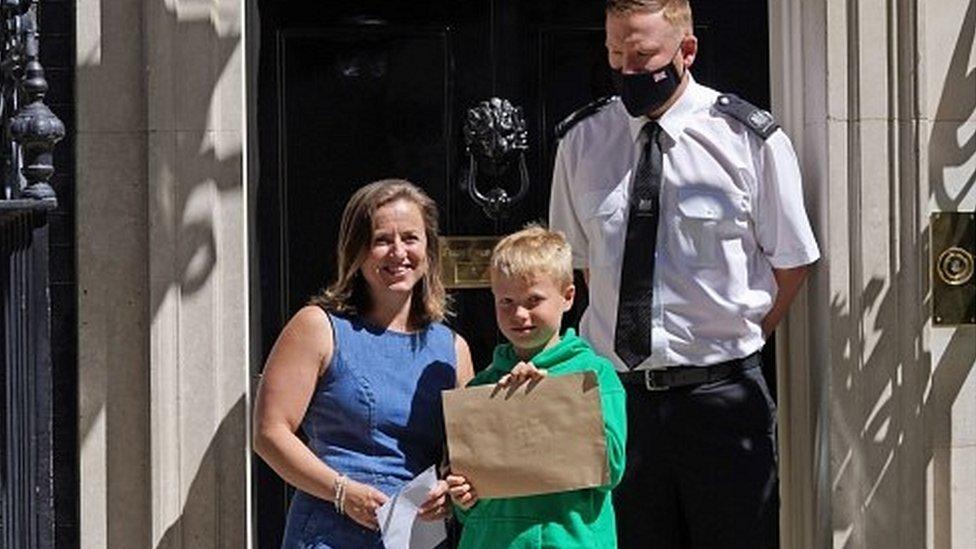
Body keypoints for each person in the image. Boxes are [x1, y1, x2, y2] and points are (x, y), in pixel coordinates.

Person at [548, 1, 820, 547]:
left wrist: (735, 340)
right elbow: (571, 265)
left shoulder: (748, 140)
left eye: (642, 54)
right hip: (616, 402)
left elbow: (791, 263)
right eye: (615, 53)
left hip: (721, 403)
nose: (628, 68)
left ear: (686, 51)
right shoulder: (582, 142)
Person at [253, 179, 475, 548]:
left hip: (413, 535)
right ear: (356, 251)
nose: (398, 252)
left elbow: (467, 456)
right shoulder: (318, 327)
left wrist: (448, 494)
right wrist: (341, 491)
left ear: (430, 249)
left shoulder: (452, 349)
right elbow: (270, 433)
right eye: (381, 240)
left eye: (410, 238)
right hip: (329, 531)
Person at [446, 226, 627, 549]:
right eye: (506, 301)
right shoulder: (482, 387)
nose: (519, 314)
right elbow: (469, 502)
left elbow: (611, 467)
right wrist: (462, 496)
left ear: (568, 297)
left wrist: (550, 400)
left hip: (570, 540)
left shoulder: (595, 375)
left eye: (534, 300)